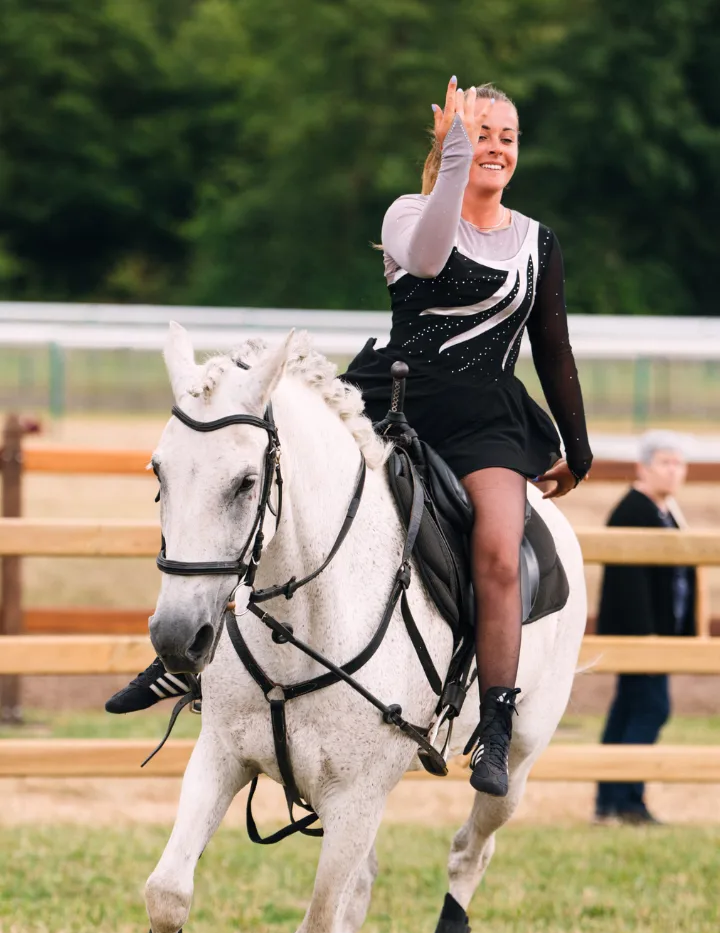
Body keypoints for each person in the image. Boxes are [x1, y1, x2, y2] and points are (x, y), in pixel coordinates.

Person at [107, 78, 594, 799]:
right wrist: (453, 161)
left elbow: (553, 348)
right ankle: (186, 660)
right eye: (479, 133)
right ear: (449, 141)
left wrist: (577, 448)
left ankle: (494, 719)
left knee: (498, 549)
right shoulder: (408, 214)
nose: (494, 148)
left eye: (506, 137)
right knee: (275, 496)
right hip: (392, 398)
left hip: (486, 418)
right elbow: (430, 259)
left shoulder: (536, 243)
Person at [594, 430, 696, 825]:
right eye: (665, 462)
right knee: (651, 707)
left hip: (660, 635)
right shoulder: (632, 511)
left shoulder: (666, 512)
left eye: (679, 463)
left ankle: (611, 802)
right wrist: (648, 637)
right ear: (643, 468)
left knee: (629, 708)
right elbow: (629, 587)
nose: (673, 471)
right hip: (640, 636)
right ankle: (627, 802)